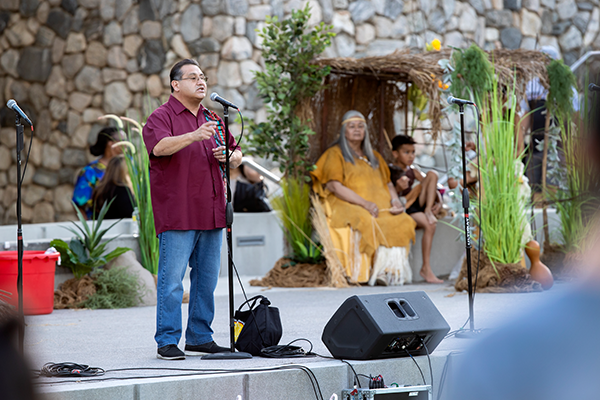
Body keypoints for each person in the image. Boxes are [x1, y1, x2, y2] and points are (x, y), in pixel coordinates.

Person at [143, 59, 242, 361]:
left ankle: (200, 337)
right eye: (193, 78)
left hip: (212, 210)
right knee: (172, 281)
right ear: (176, 84)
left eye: (203, 77)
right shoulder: (161, 116)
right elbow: (158, 148)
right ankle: (167, 340)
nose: (201, 82)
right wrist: (193, 136)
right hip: (179, 211)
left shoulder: (213, 116)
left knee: (207, 280)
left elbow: (236, 153)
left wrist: (231, 158)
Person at [311, 110, 416, 286]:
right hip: (346, 203)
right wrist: (364, 203)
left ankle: (387, 271)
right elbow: (334, 186)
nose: (357, 130)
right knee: (365, 219)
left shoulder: (374, 156)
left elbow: (388, 183)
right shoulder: (334, 154)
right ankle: (363, 273)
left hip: (380, 205)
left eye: (361, 126)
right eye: (352, 126)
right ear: (343, 131)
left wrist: (395, 201)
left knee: (403, 220)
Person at [516, 46, 579, 194]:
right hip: (535, 146)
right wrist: (519, 143)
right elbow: (525, 116)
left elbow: (576, 117)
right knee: (535, 190)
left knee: (553, 190)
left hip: (558, 149)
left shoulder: (566, 87)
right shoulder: (531, 86)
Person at [389, 135, 444, 284]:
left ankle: (428, 210)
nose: (411, 156)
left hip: (420, 205)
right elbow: (388, 193)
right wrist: (398, 188)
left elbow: (434, 186)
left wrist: (439, 201)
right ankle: (426, 268)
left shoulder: (413, 170)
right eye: (406, 152)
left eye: (413, 152)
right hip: (406, 207)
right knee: (430, 224)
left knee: (433, 174)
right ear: (395, 153)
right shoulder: (391, 170)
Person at [72, 126, 123, 218]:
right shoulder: (90, 172)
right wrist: (89, 228)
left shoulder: (128, 169)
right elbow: (78, 205)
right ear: (110, 143)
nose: (126, 144)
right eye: (122, 140)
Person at [91, 155, 134, 219]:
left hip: (103, 227)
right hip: (119, 227)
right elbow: (129, 215)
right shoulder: (123, 190)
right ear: (126, 172)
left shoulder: (100, 189)